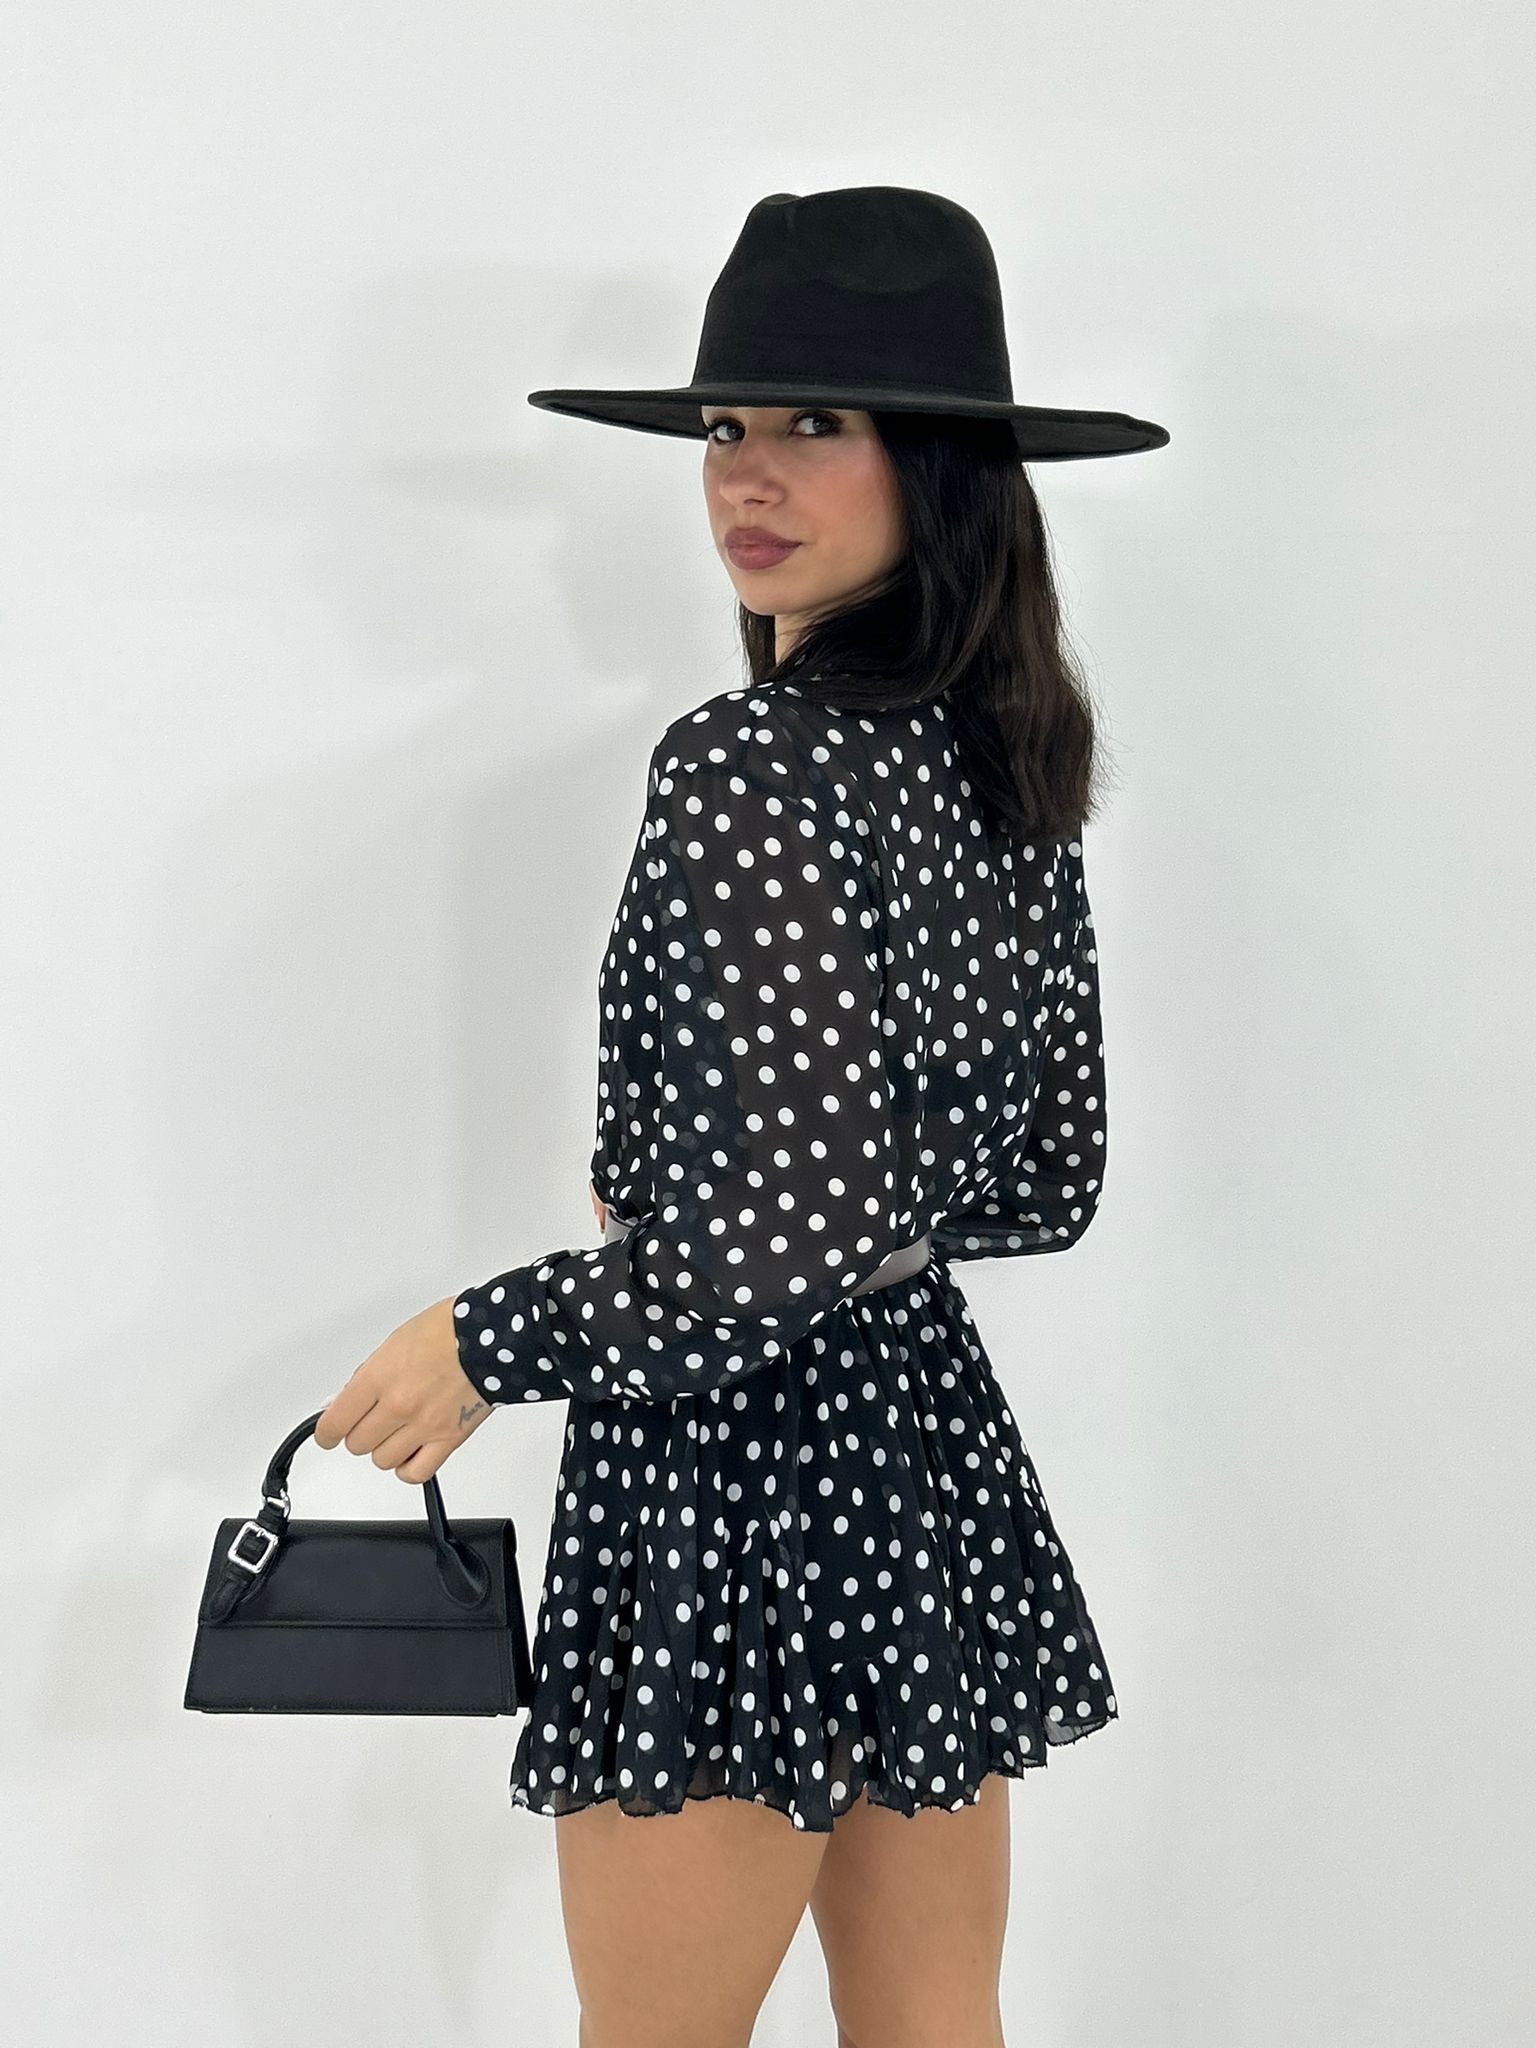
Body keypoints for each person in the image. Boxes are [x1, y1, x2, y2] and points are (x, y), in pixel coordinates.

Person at [318, 187, 1168, 2048]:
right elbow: (1046, 1179)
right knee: (935, 2018)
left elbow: (763, 1252)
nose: (745, 477)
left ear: (938, 466)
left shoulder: (754, 762)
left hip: (730, 1474)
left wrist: (485, 1337)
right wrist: (860, 1216)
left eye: (814, 424)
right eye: (725, 427)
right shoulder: (1003, 758)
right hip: (914, 1448)